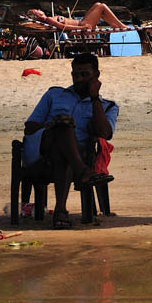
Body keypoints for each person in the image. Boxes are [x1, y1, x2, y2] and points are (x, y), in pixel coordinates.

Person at [22, 53, 118, 228]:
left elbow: (105, 133)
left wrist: (94, 98)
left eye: (85, 75)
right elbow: (29, 126)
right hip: (44, 151)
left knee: (64, 155)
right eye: (75, 74)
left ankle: (61, 211)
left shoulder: (107, 106)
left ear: (96, 75)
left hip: (73, 156)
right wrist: (52, 126)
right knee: (63, 126)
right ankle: (82, 172)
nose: (79, 79)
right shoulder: (54, 94)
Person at [28, 2, 128, 31]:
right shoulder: (49, 19)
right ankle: (120, 25)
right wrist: (82, 27)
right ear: (37, 15)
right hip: (83, 25)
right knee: (102, 6)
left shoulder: (50, 18)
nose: (40, 10)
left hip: (82, 22)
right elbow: (63, 27)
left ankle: (114, 24)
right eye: (37, 11)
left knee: (97, 5)